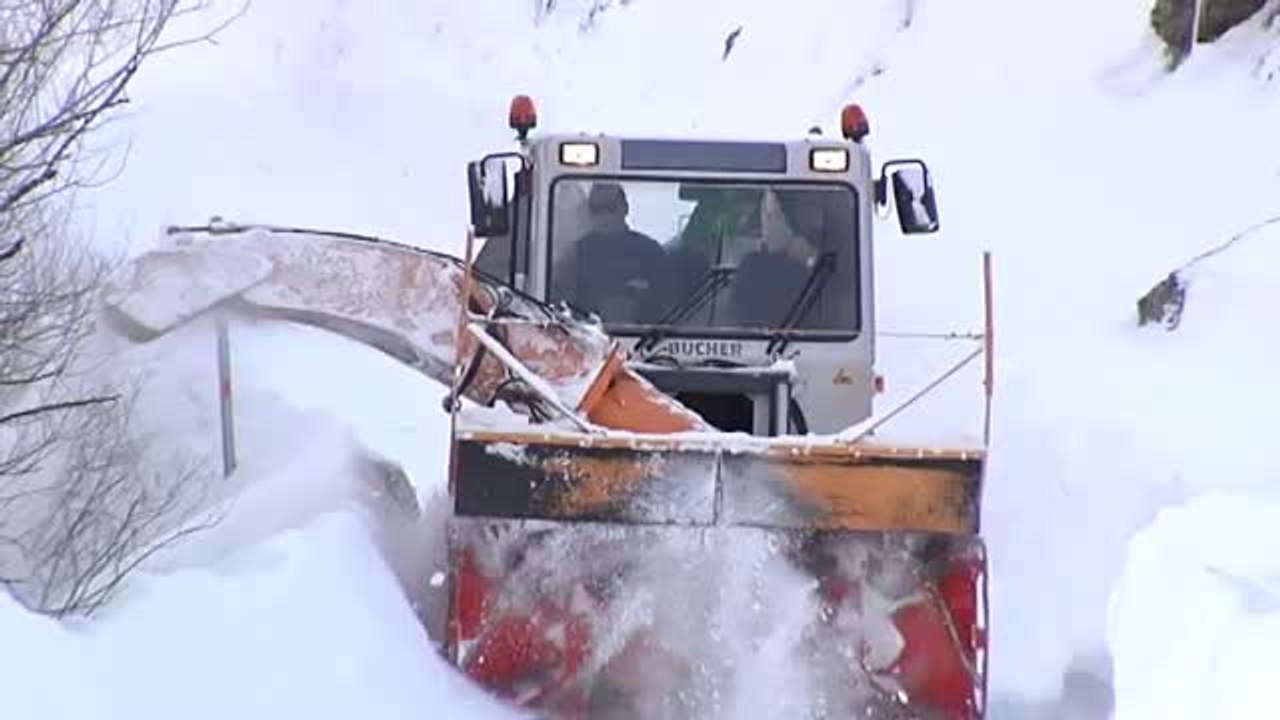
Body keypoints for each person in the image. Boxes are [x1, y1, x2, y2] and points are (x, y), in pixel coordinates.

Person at [550, 182, 669, 323]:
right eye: (597, 209)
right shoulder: (576, 254)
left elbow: (669, 302)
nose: (604, 215)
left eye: (610, 207)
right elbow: (559, 301)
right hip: (587, 337)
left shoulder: (650, 251)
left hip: (645, 338)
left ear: (625, 208)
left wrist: (643, 294)